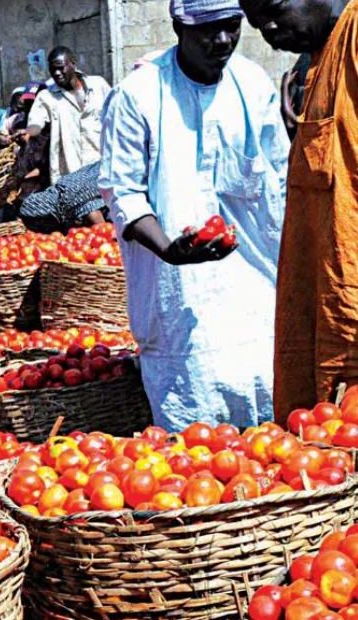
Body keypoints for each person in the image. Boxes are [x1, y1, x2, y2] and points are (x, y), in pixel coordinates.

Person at [98, 0, 289, 430]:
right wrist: (168, 248)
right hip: (176, 298)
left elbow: (279, 178)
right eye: (207, 30)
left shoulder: (254, 84)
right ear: (178, 28)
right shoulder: (139, 94)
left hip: (255, 294)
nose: (222, 41)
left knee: (271, 434)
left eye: (230, 27)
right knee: (195, 438)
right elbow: (123, 191)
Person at [240, 0, 358, 419]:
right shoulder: (315, 61)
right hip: (325, 295)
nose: (268, 28)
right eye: (256, 23)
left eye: (274, 9)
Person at [27, 47, 111, 184]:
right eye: (52, 70)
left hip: (103, 166)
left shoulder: (98, 85)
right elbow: (35, 122)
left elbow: (116, 116)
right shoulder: (46, 97)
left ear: (73, 63)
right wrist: (28, 132)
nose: (57, 73)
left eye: (60, 68)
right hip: (71, 173)